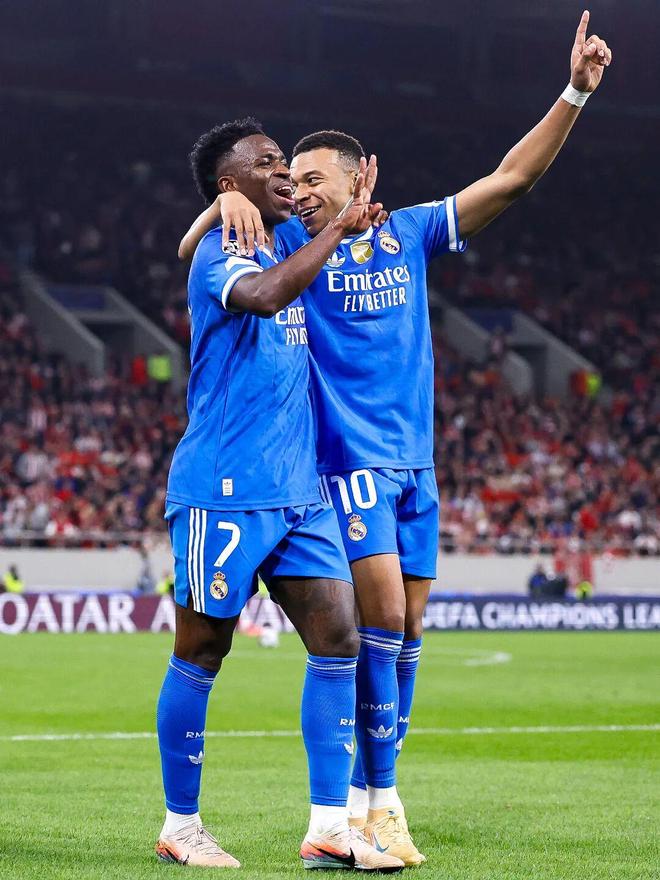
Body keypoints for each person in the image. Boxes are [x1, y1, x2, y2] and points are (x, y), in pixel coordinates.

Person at [179, 13, 612, 865]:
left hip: (416, 463)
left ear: (355, 176)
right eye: (286, 179)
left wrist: (574, 93)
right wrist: (220, 199)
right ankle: (366, 805)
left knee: (407, 632)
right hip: (345, 465)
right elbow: (205, 249)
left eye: (310, 178)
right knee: (373, 623)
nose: (296, 190)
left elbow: (512, 179)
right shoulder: (294, 241)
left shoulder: (408, 231)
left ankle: (378, 796)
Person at [157, 118, 403, 872]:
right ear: (233, 182)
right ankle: (180, 824)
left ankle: (329, 827)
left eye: (285, 161)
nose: (285, 172)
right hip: (224, 490)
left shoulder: (284, 234)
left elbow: (303, 240)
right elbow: (264, 296)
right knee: (203, 649)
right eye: (268, 162)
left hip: (300, 493)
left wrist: (342, 216)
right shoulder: (221, 252)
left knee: (339, 640)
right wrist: (218, 211)